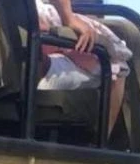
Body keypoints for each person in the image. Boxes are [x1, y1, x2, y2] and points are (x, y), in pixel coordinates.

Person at [34, 0, 132, 136]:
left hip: (13, 53)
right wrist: (69, 18)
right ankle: (101, 144)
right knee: (118, 66)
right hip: (32, 58)